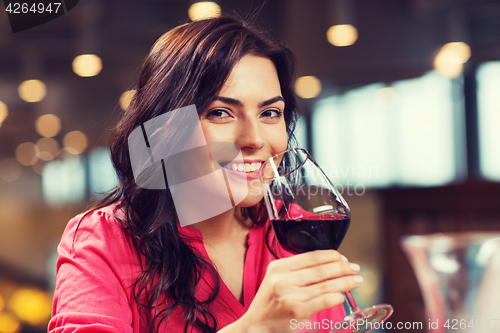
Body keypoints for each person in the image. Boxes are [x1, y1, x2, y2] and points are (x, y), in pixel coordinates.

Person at [48, 15, 362, 333]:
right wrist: (254, 328)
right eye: (220, 113)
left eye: (270, 113)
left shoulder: (295, 229)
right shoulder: (103, 241)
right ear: (166, 127)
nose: (254, 139)